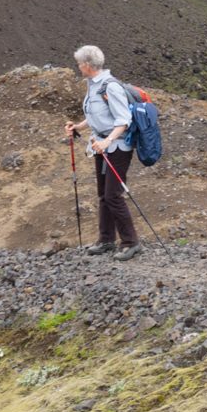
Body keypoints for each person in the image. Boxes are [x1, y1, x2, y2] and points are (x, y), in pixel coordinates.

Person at [63, 44, 140, 261]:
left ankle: (131, 242)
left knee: (113, 195)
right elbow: (98, 116)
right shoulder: (93, 85)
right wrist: (78, 126)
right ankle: (106, 239)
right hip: (100, 146)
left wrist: (107, 141)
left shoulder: (110, 86)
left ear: (88, 65)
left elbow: (123, 120)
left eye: (79, 64)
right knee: (103, 195)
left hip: (117, 148)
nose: (78, 67)